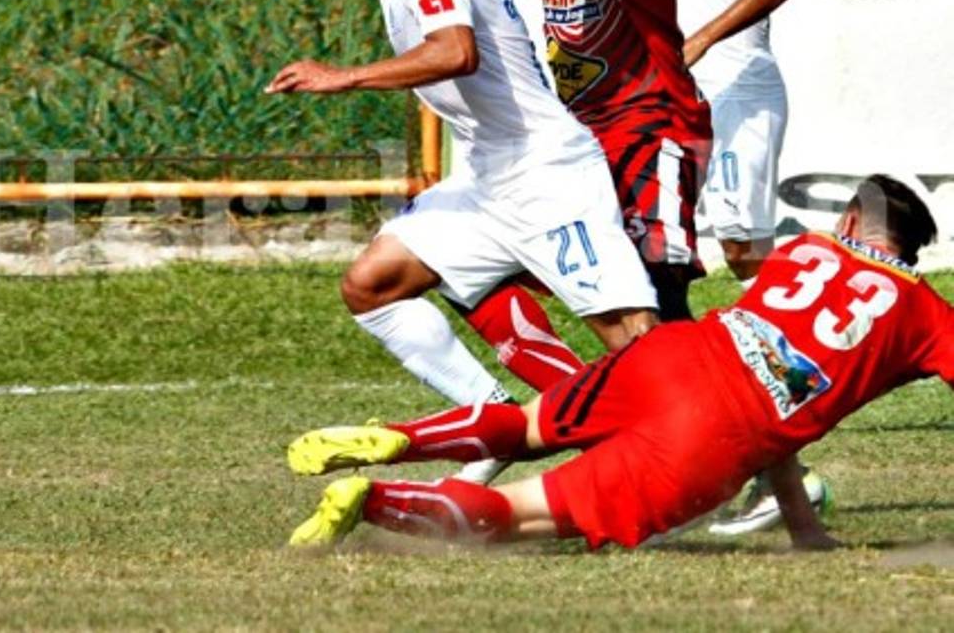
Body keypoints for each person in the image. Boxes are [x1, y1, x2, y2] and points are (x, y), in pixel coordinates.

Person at [286, 175, 948, 552]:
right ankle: (376, 500)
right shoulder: (924, 314)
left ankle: (401, 435)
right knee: (511, 514)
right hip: (716, 435)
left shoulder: (805, 252)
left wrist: (802, 525)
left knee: (522, 425)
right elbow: (784, 393)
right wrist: (804, 531)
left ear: (851, 222)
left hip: (672, 355)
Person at [268, 0, 660, 481]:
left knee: (637, 342)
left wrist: (343, 77)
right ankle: (494, 420)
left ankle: (753, 466)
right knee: (372, 285)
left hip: (545, 175)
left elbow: (456, 51)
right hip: (487, 180)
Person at [396, 0, 712, 399]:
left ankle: (755, 448)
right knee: (482, 263)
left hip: (653, 126)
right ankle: (580, 405)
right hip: (582, 133)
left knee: (658, 291)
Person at [670, 0, 807, 536]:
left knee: (744, 257)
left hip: (738, 93)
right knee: (725, 253)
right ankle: (775, 400)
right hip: (702, 93)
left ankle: (807, 353)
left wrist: (699, 40)